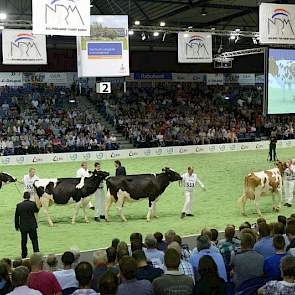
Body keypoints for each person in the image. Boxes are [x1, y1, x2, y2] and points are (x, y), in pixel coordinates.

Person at [15, 192, 39, 259]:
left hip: (23, 226)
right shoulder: (32, 204)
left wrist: (17, 226)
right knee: (34, 240)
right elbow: (37, 210)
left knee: (24, 241)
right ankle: (36, 253)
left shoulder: (19, 205)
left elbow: (16, 216)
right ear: (29, 197)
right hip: (32, 225)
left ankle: (24, 255)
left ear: (23, 197)